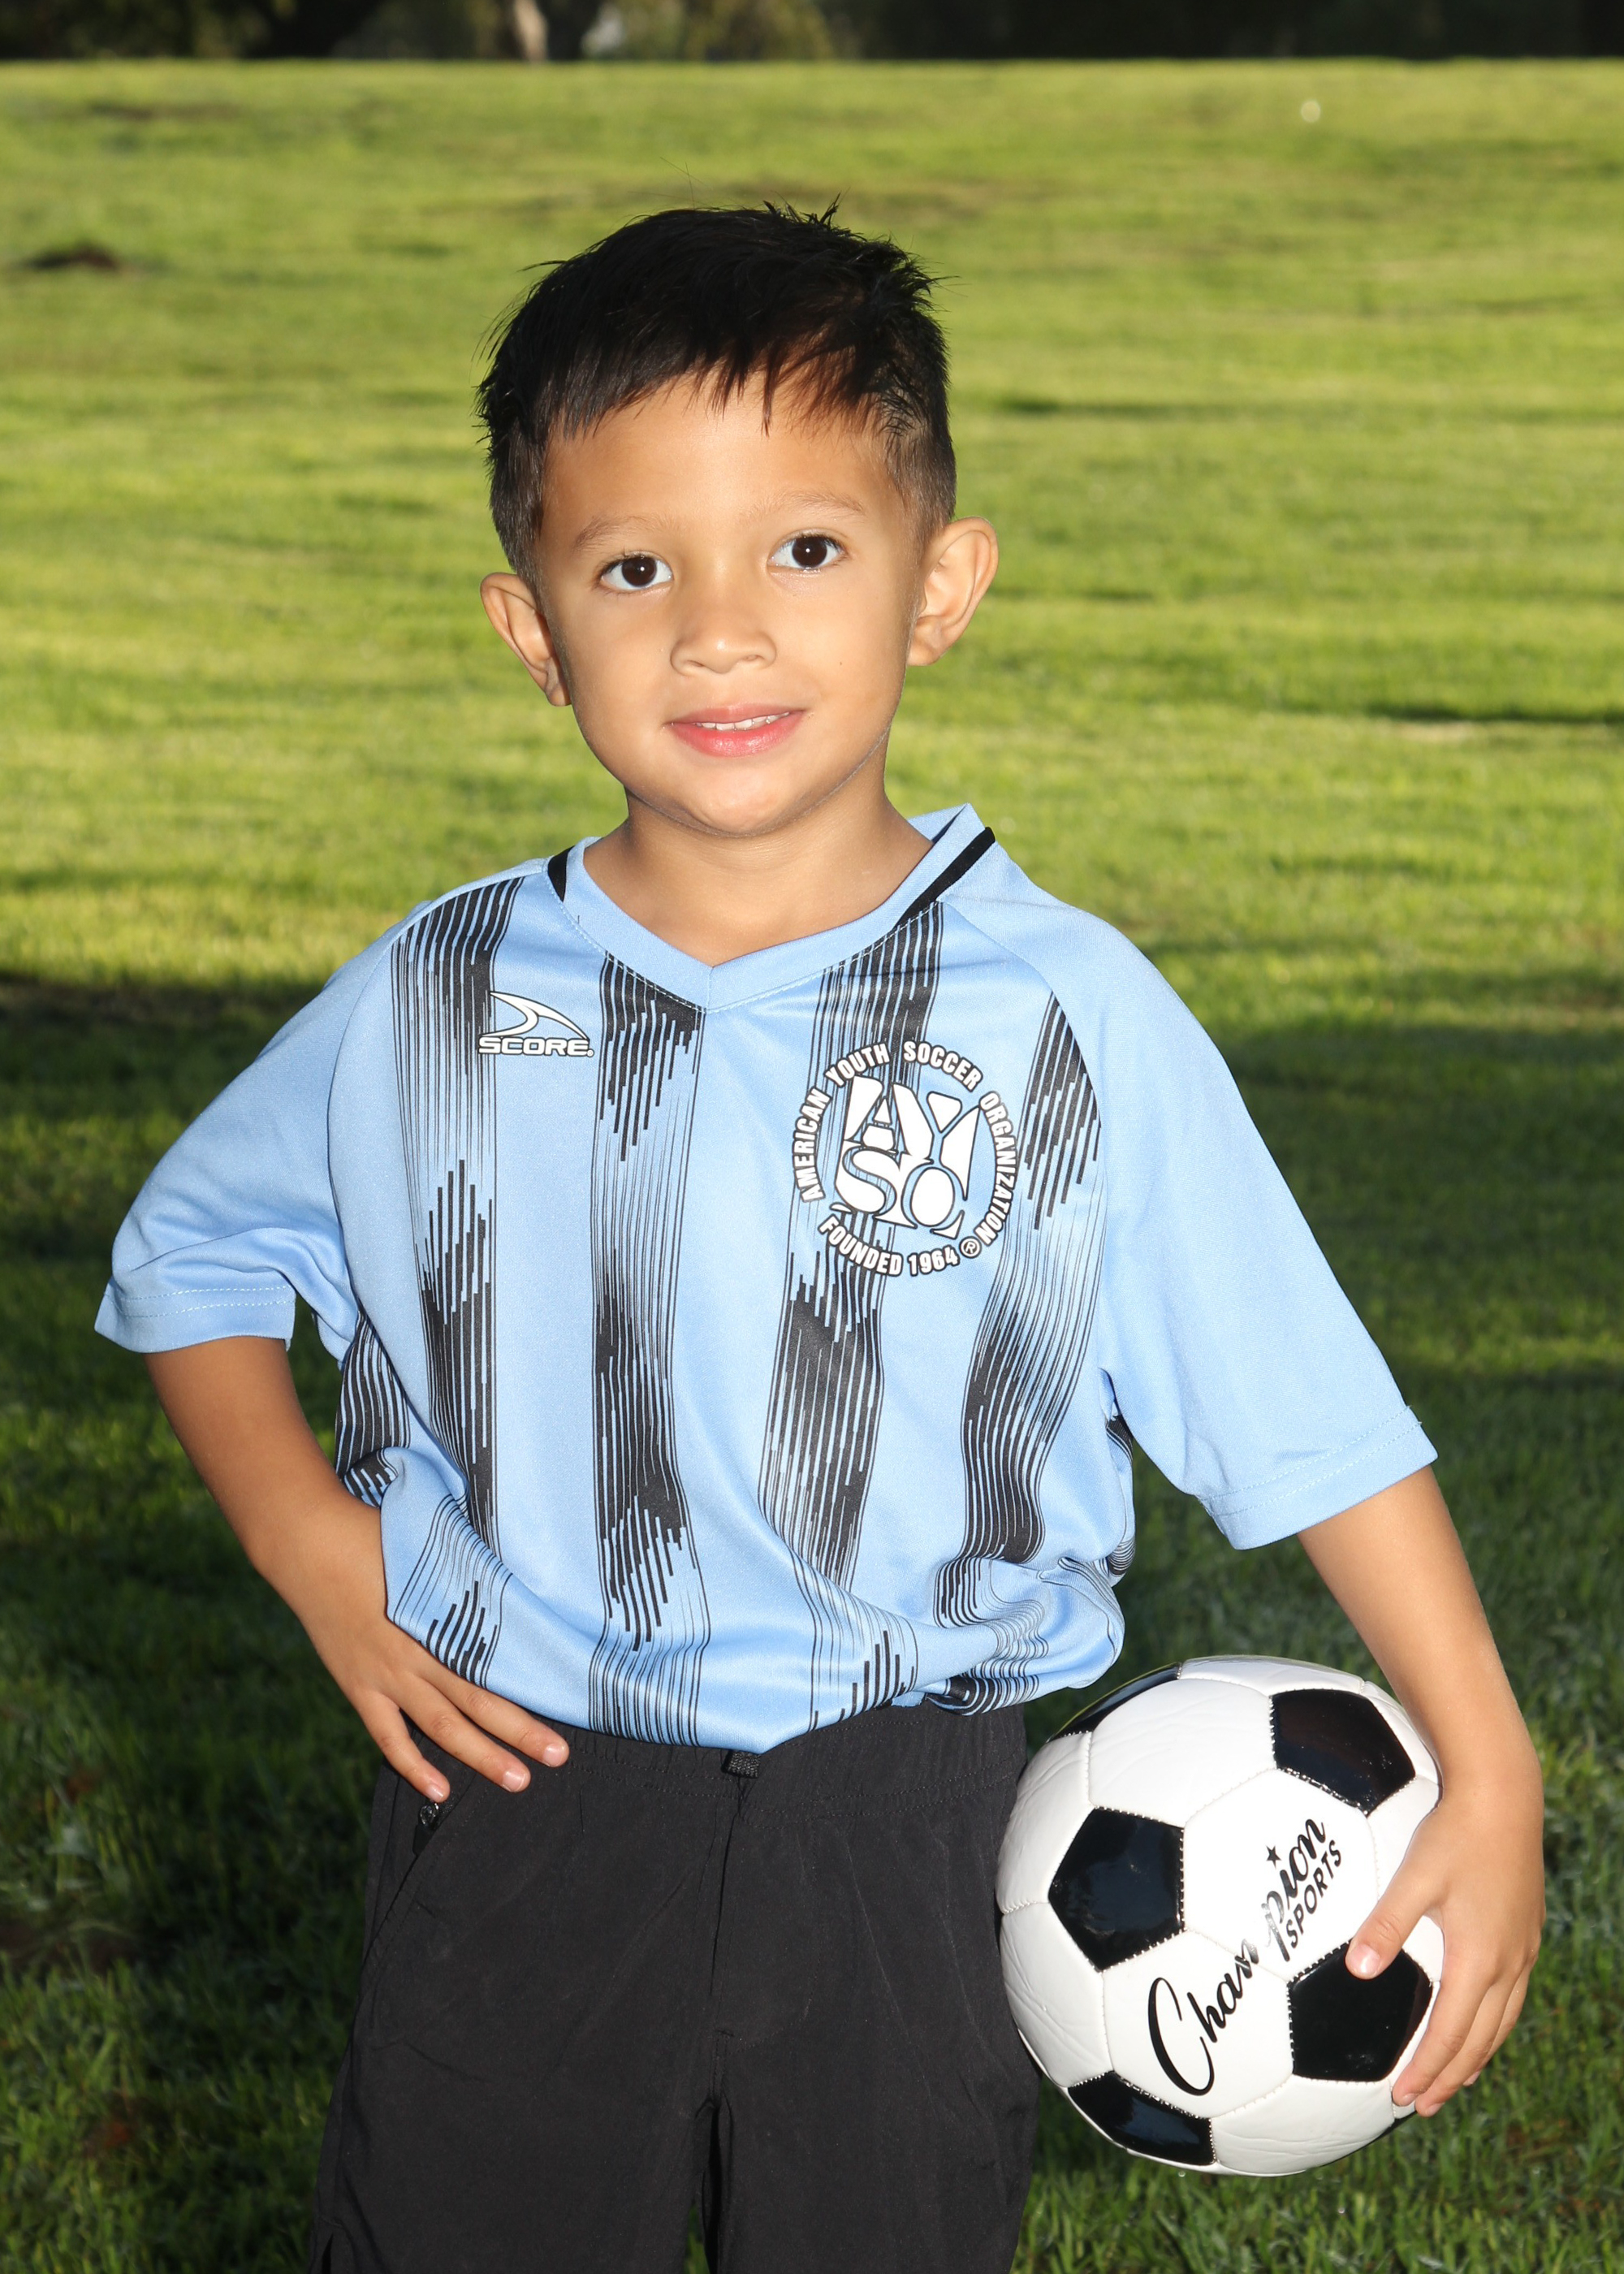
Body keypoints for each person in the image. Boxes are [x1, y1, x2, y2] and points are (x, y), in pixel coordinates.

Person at [97, 205, 1544, 2274]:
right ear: (530, 627)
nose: (718, 633)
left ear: (937, 584)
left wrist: (1484, 1761)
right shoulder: (437, 996)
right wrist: (309, 1546)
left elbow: (1304, 1411)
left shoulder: (1066, 1020)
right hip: (522, 1797)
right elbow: (195, 1260)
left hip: (908, 1817)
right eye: (634, 569)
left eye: (801, 549)